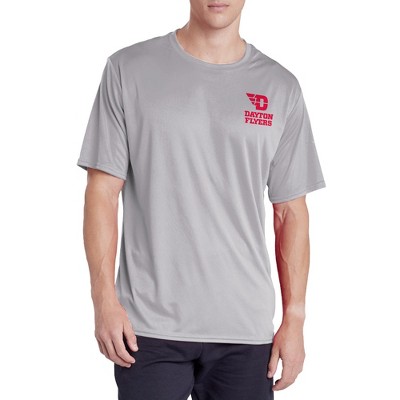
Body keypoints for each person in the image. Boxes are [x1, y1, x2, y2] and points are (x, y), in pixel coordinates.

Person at [77, 1, 326, 399]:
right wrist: (103, 299)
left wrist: (294, 318)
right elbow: (102, 192)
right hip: (147, 327)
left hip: (245, 329)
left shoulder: (280, 87)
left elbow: (290, 212)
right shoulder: (128, 69)